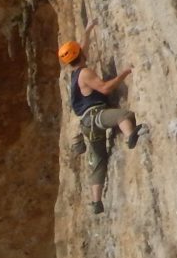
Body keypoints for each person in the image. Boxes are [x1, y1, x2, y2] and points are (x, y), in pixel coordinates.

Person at [58, 36, 140, 213]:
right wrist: (125, 73)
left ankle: (96, 202)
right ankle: (130, 137)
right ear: (80, 55)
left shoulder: (73, 74)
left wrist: (88, 29)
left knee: (99, 160)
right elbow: (105, 88)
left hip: (87, 125)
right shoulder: (85, 73)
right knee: (124, 115)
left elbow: (80, 49)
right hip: (97, 116)